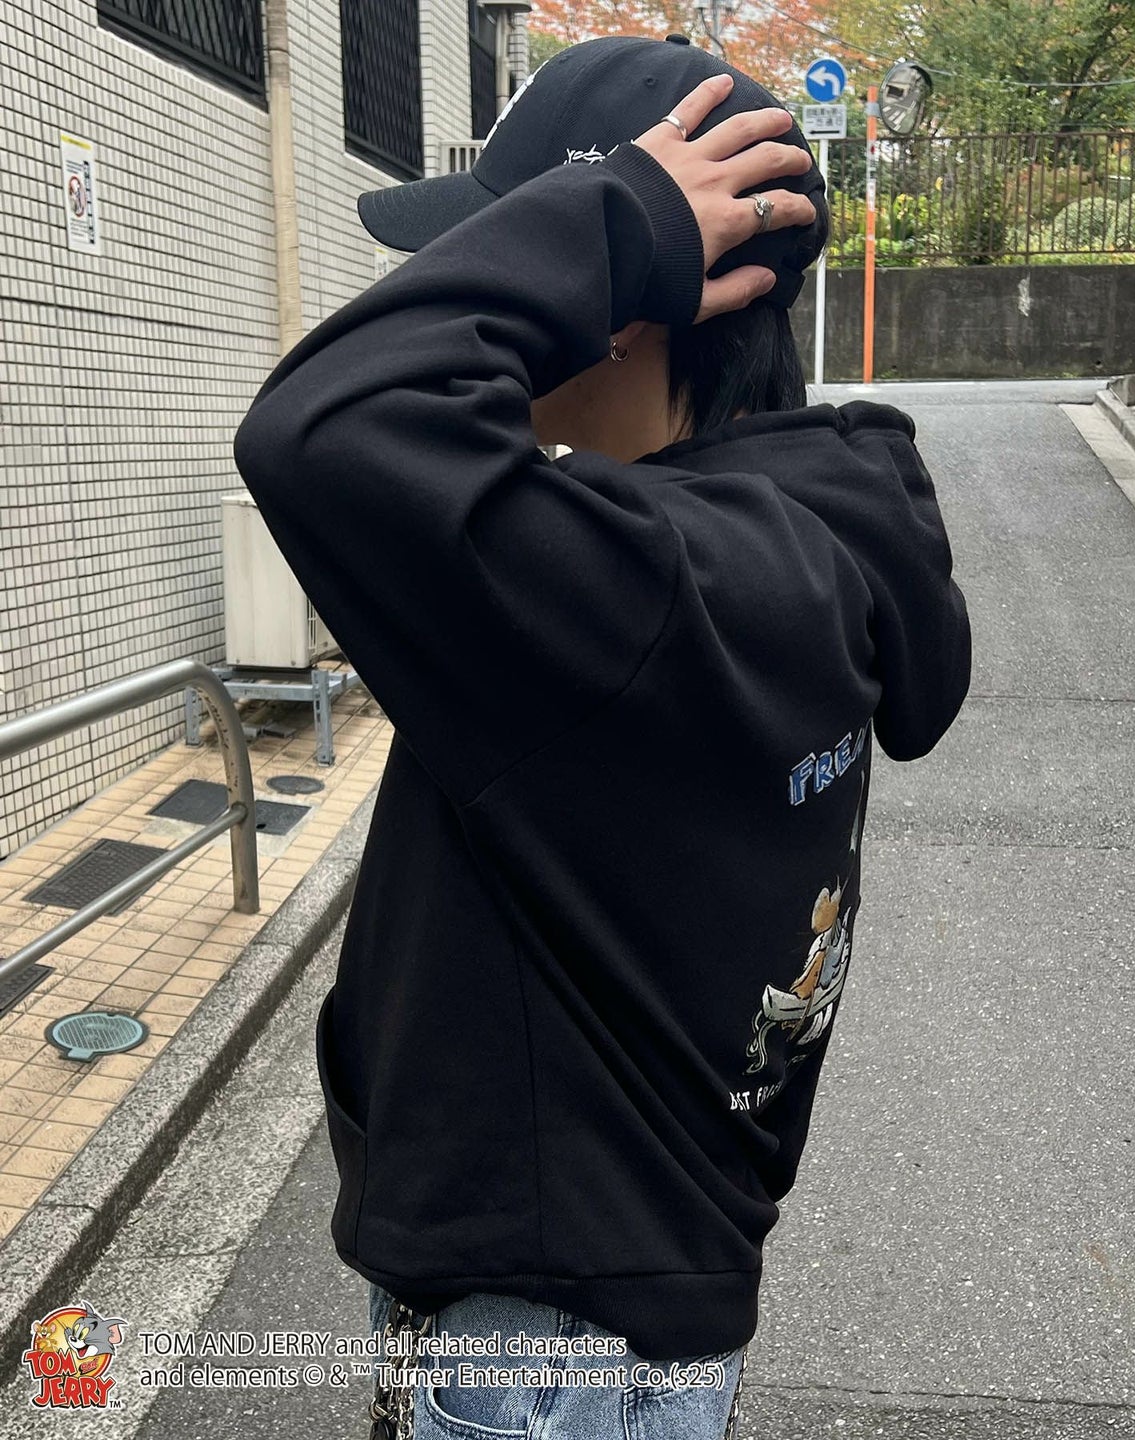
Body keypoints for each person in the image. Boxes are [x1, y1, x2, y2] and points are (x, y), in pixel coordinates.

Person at [232, 34, 971, 1440]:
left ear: (627, 308)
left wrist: (619, 218)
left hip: (543, 1348)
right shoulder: (795, 530)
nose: (483, 283)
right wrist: (612, 231)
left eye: (522, 247)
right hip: (619, 1301)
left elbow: (320, 430)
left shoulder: (646, 586)